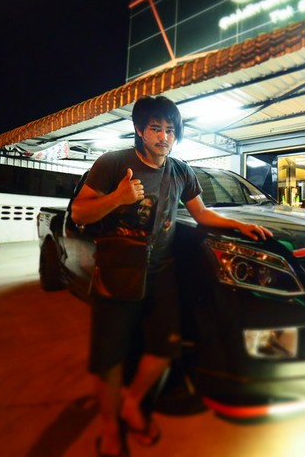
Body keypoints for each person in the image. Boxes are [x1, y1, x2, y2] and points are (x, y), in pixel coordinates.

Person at [71, 95, 272, 457]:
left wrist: (239, 225)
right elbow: (79, 213)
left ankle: (132, 403)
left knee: (165, 349)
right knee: (109, 360)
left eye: (170, 130)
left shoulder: (181, 171)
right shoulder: (113, 163)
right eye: (156, 129)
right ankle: (110, 428)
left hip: (160, 272)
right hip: (117, 271)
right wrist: (117, 198)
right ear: (139, 130)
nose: (164, 137)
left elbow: (202, 214)